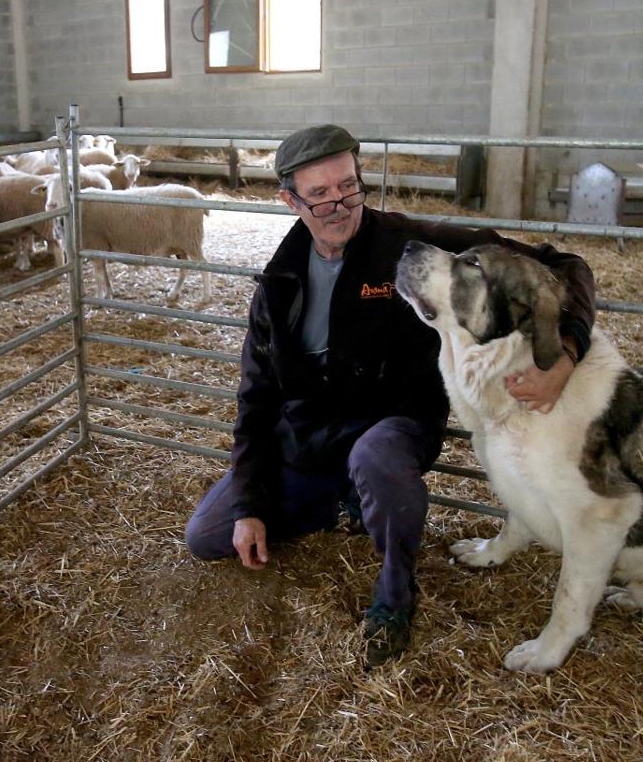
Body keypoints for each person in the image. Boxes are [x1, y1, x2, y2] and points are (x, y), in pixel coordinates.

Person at [185, 125, 596, 667]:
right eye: (320, 193)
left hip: (393, 426)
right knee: (207, 536)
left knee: (375, 460)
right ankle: (344, 501)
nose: (339, 204)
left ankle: (395, 594)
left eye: (348, 186)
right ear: (290, 200)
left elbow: (564, 266)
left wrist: (566, 351)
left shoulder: (413, 246)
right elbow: (255, 400)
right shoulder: (280, 280)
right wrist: (249, 506)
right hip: (311, 438)